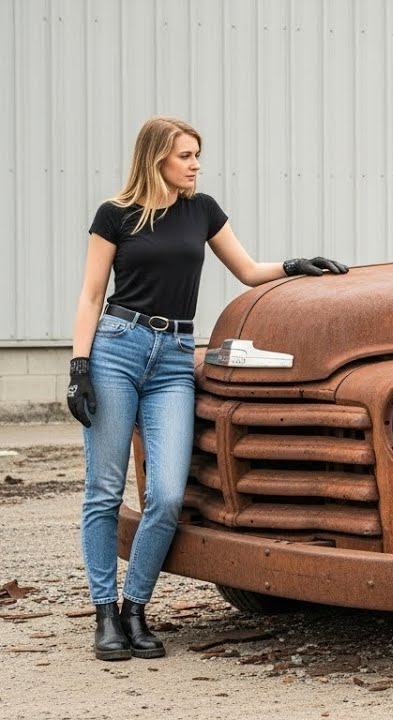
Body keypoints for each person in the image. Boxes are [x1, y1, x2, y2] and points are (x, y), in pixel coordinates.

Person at [68, 117, 349, 660]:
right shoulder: (115, 215)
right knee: (104, 490)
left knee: (168, 494)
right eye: (186, 155)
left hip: (175, 358)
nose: (196, 164)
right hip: (117, 349)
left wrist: (296, 265)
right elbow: (90, 295)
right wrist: (79, 364)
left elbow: (245, 269)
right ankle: (105, 613)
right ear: (158, 160)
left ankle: (136, 609)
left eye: (198, 155)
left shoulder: (203, 210)